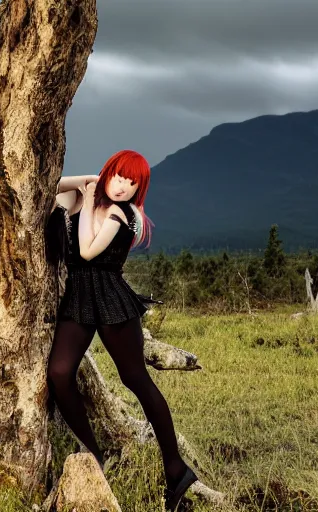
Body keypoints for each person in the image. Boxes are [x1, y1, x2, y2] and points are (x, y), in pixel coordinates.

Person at [44, 149, 197, 511]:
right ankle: (92, 454)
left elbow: (85, 251)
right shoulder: (91, 194)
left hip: (112, 300)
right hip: (79, 300)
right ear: (108, 172)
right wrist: (86, 182)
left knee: (136, 380)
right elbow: (48, 186)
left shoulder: (121, 213)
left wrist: (88, 196)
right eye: (119, 176)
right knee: (59, 373)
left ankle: (175, 469)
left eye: (133, 182)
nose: (124, 186)